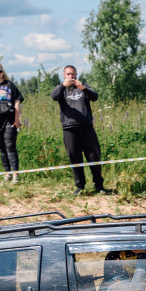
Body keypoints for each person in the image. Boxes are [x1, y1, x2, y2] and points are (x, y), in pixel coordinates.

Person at [51, 65, 104, 194]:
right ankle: (80, 186)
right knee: (74, 158)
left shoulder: (83, 86)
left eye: (73, 74)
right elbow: (54, 96)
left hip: (86, 127)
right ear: (64, 75)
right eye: (68, 74)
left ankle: (99, 185)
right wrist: (64, 85)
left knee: (94, 156)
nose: (71, 77)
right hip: (69, 128)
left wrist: (84, 89)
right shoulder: (61, 89)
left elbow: (95, 97)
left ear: (76, 74)